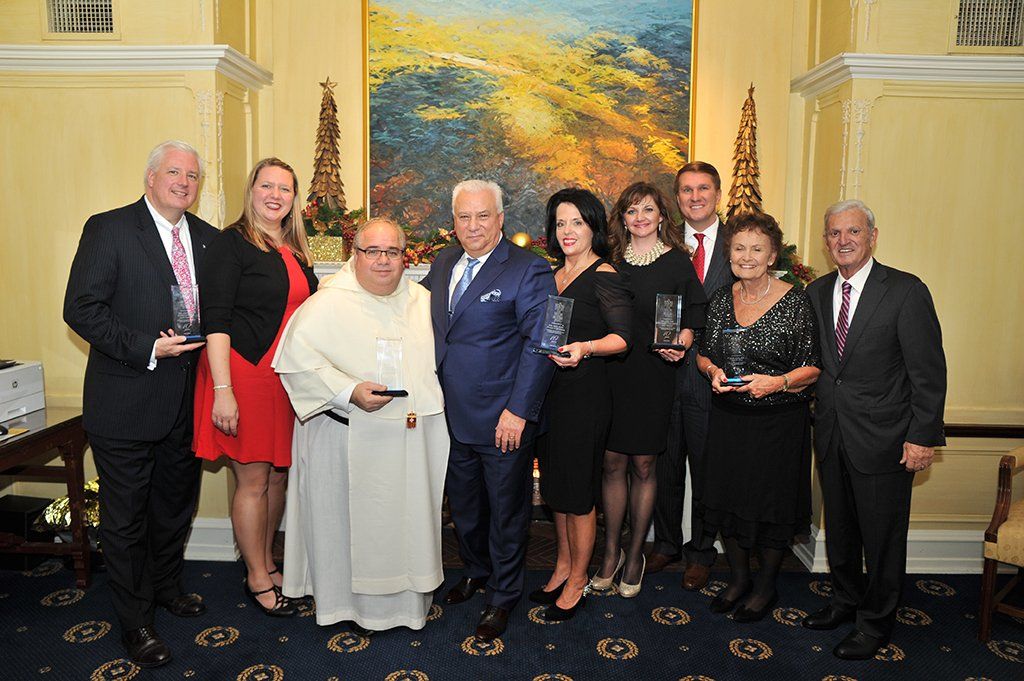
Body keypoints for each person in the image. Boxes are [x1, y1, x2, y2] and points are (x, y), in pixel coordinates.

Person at [63, 140, 217, 667]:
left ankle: (166, 587)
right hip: (126, 398)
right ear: (151, 177)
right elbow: (81, 308)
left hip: (186, 400)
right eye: (174, 172)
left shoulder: (207, 237)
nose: (183, 182)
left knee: (173, 505)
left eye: (192, 176)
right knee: (126, 519)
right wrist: (147, 347)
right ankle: (135, 623)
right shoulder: (109, 229)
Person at [274, 218, 449, 634]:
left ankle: (406, 608)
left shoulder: (423, 302)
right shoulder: (328, 302)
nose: (383, 260)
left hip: (408, 441)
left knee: (404, 526)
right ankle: (346, 608)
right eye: (372, 251)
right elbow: (296, 363)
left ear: (405, 258)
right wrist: (348, 391)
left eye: (392, 251)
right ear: (355, 255)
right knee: (347, 530)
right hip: (345, 435)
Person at [802, 199, 946, 660]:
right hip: (831, 434)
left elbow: (928, 373)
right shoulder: (816, 292)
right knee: (841, 532)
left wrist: (922, 437)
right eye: (834, 233)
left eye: (853, 232)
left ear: (872, 236)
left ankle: (876, 622)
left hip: (886, 440)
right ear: (826, 241)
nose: (843, 240)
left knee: (882, 539)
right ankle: (845, 601)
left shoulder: (905, 291)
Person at [420, 179, 556, 641]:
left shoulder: (528, 269)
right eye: (464, 216)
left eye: (483, 216)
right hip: (449, 414)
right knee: (465, 507)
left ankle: (502, 595)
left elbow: (541, 344)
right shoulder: (443, 263)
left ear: (500, 219)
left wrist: (518, 410)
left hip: (503, 419)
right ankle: (476, 572)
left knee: (506, 513)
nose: (473, 225)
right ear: (453, 221)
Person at [193, 157, 318, 617]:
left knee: (278, 475)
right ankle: (257, 578)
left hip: (283, 379)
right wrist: (223, 390)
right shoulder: (231, 244)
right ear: (252, 191)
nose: (275, 195)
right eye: (267, 186)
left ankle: (265, 561)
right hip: (244, 374)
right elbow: (216, 321)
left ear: (294, 198)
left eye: (284, 188)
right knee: (254, 479)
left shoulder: (294, 248)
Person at [694, 211, 820, 622]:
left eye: (756, 249)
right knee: (728, 502)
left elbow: (813, 367)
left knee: (770, 507)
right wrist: (712, 372)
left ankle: (765, 587)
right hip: (729, 420)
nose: (746, 256)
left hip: (778, 424)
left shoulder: (795, 300)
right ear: (729, 253)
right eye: (739, 248)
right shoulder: (720, 298)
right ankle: (738, 580)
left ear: (772, 256)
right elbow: (703, 354)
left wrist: (777, 382)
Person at [592, 182, 706, 598]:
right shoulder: (610, 262)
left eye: (648, 210)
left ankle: (636, 554)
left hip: (655, 374)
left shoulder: (677, 262)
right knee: (611, 464)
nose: (639, 217)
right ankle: (611, 552)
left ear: (661, 216)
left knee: (643, 465)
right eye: (631, 210)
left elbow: (694, 313)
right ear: (622, 219)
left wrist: (683, 343)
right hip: (612, 373)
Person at [532, 188, 631, 621]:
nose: (568, 231)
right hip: (550, 395)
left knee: (578, 493)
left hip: (585, 396)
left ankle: (578, 580)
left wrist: (585, 348)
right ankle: (561, 567)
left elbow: (623, 338)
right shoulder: (552, 274)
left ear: (593, 226)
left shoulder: (604, 273)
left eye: (577, 222)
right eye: (560, 223)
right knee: (556, 488)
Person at [650, 162, 735, 590]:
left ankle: (701, 551)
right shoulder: (661, 243)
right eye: (686, 190)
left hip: (713, 376)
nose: (695, 197)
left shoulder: (739, 244)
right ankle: (666, 543)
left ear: (718, 194)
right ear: (677, 197)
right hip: (663, 371)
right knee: (664, 464)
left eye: (703, 188)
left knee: (707, 466)